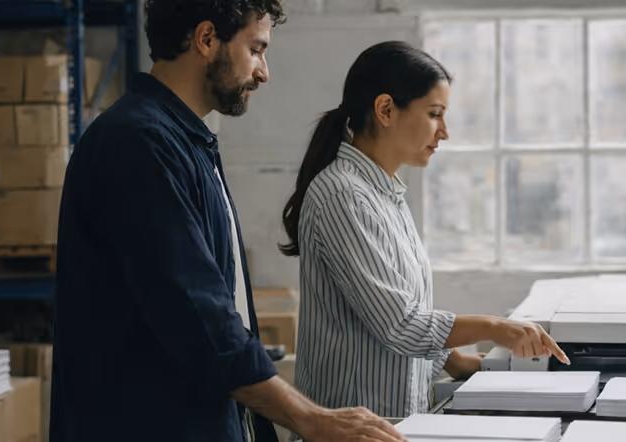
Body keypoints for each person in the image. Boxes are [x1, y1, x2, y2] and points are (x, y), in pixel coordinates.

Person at [52, 1, 407, 441]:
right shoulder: (139, 144)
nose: (264, 72)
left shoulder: (189, 141)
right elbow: (198, 315)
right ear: (206, 39)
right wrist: (311, 419)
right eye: (256, 49)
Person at [280, 41, 571, 419]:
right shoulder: (341, 194)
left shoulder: (386, 193)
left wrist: (453, 361)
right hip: (352, 429)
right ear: (386, 109)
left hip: (397, 423)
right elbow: (399, 324)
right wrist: (499, 328)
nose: (444, 132)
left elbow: (396, 308)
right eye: (435, 114)